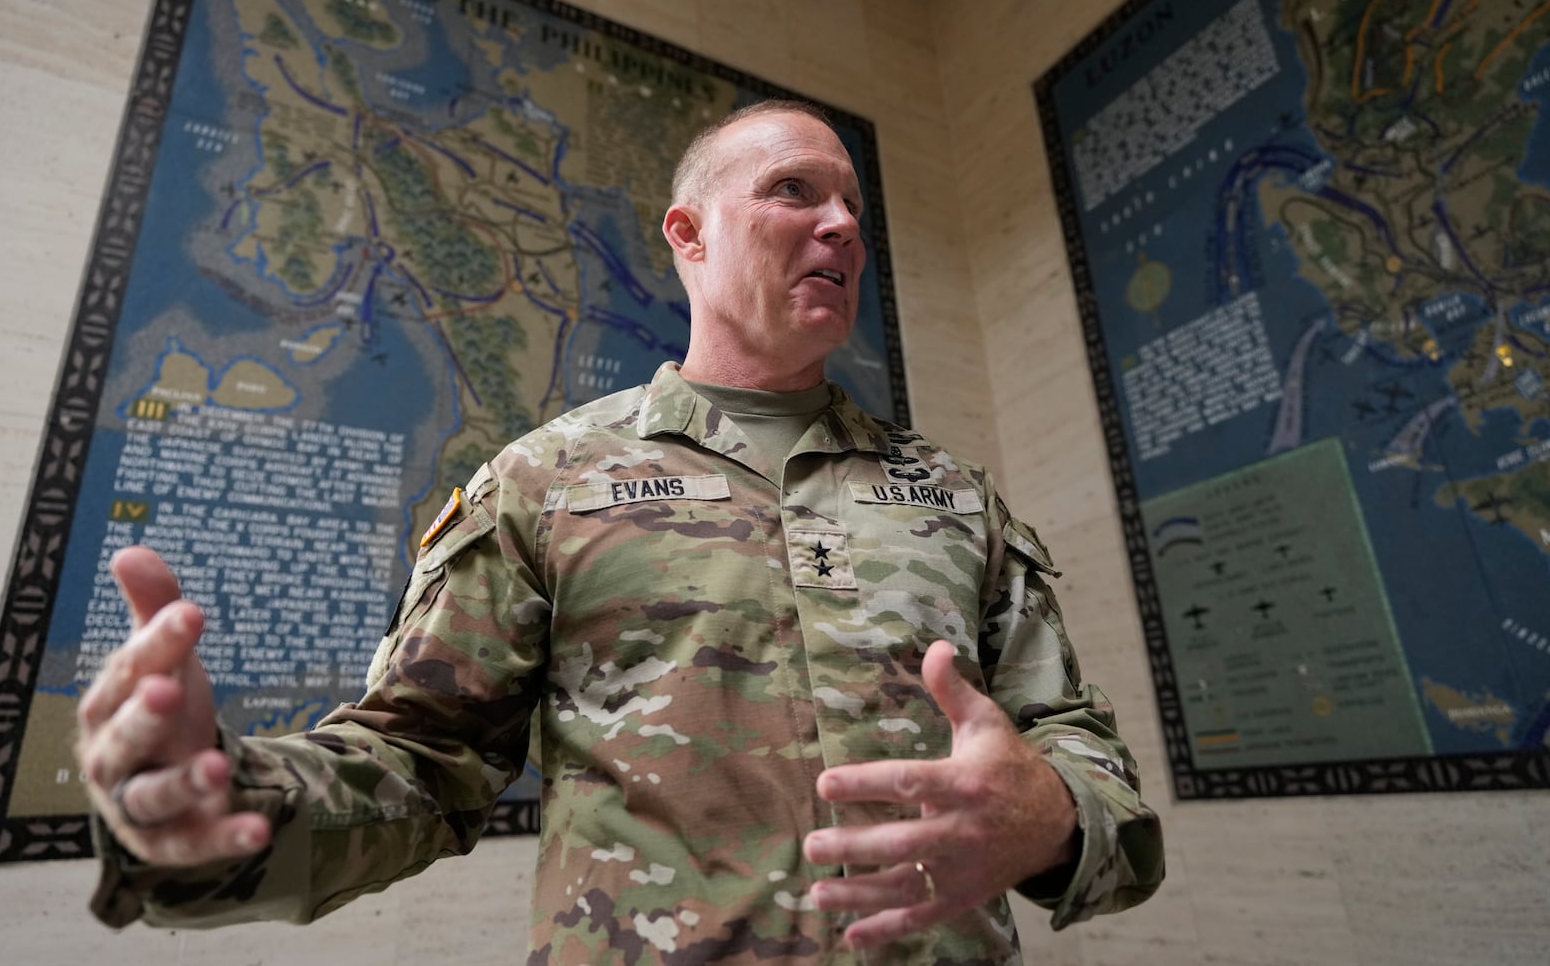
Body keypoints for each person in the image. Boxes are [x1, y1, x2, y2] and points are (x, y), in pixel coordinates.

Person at [77, 100, 1164, 963]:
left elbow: (1081, 751)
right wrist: (229, 795)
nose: (841, 225)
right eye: (794, 191)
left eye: (852, 209)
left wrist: (1055, 811)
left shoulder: (953, 494)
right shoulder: (544, 479)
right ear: (687, 234)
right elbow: (421, 761)